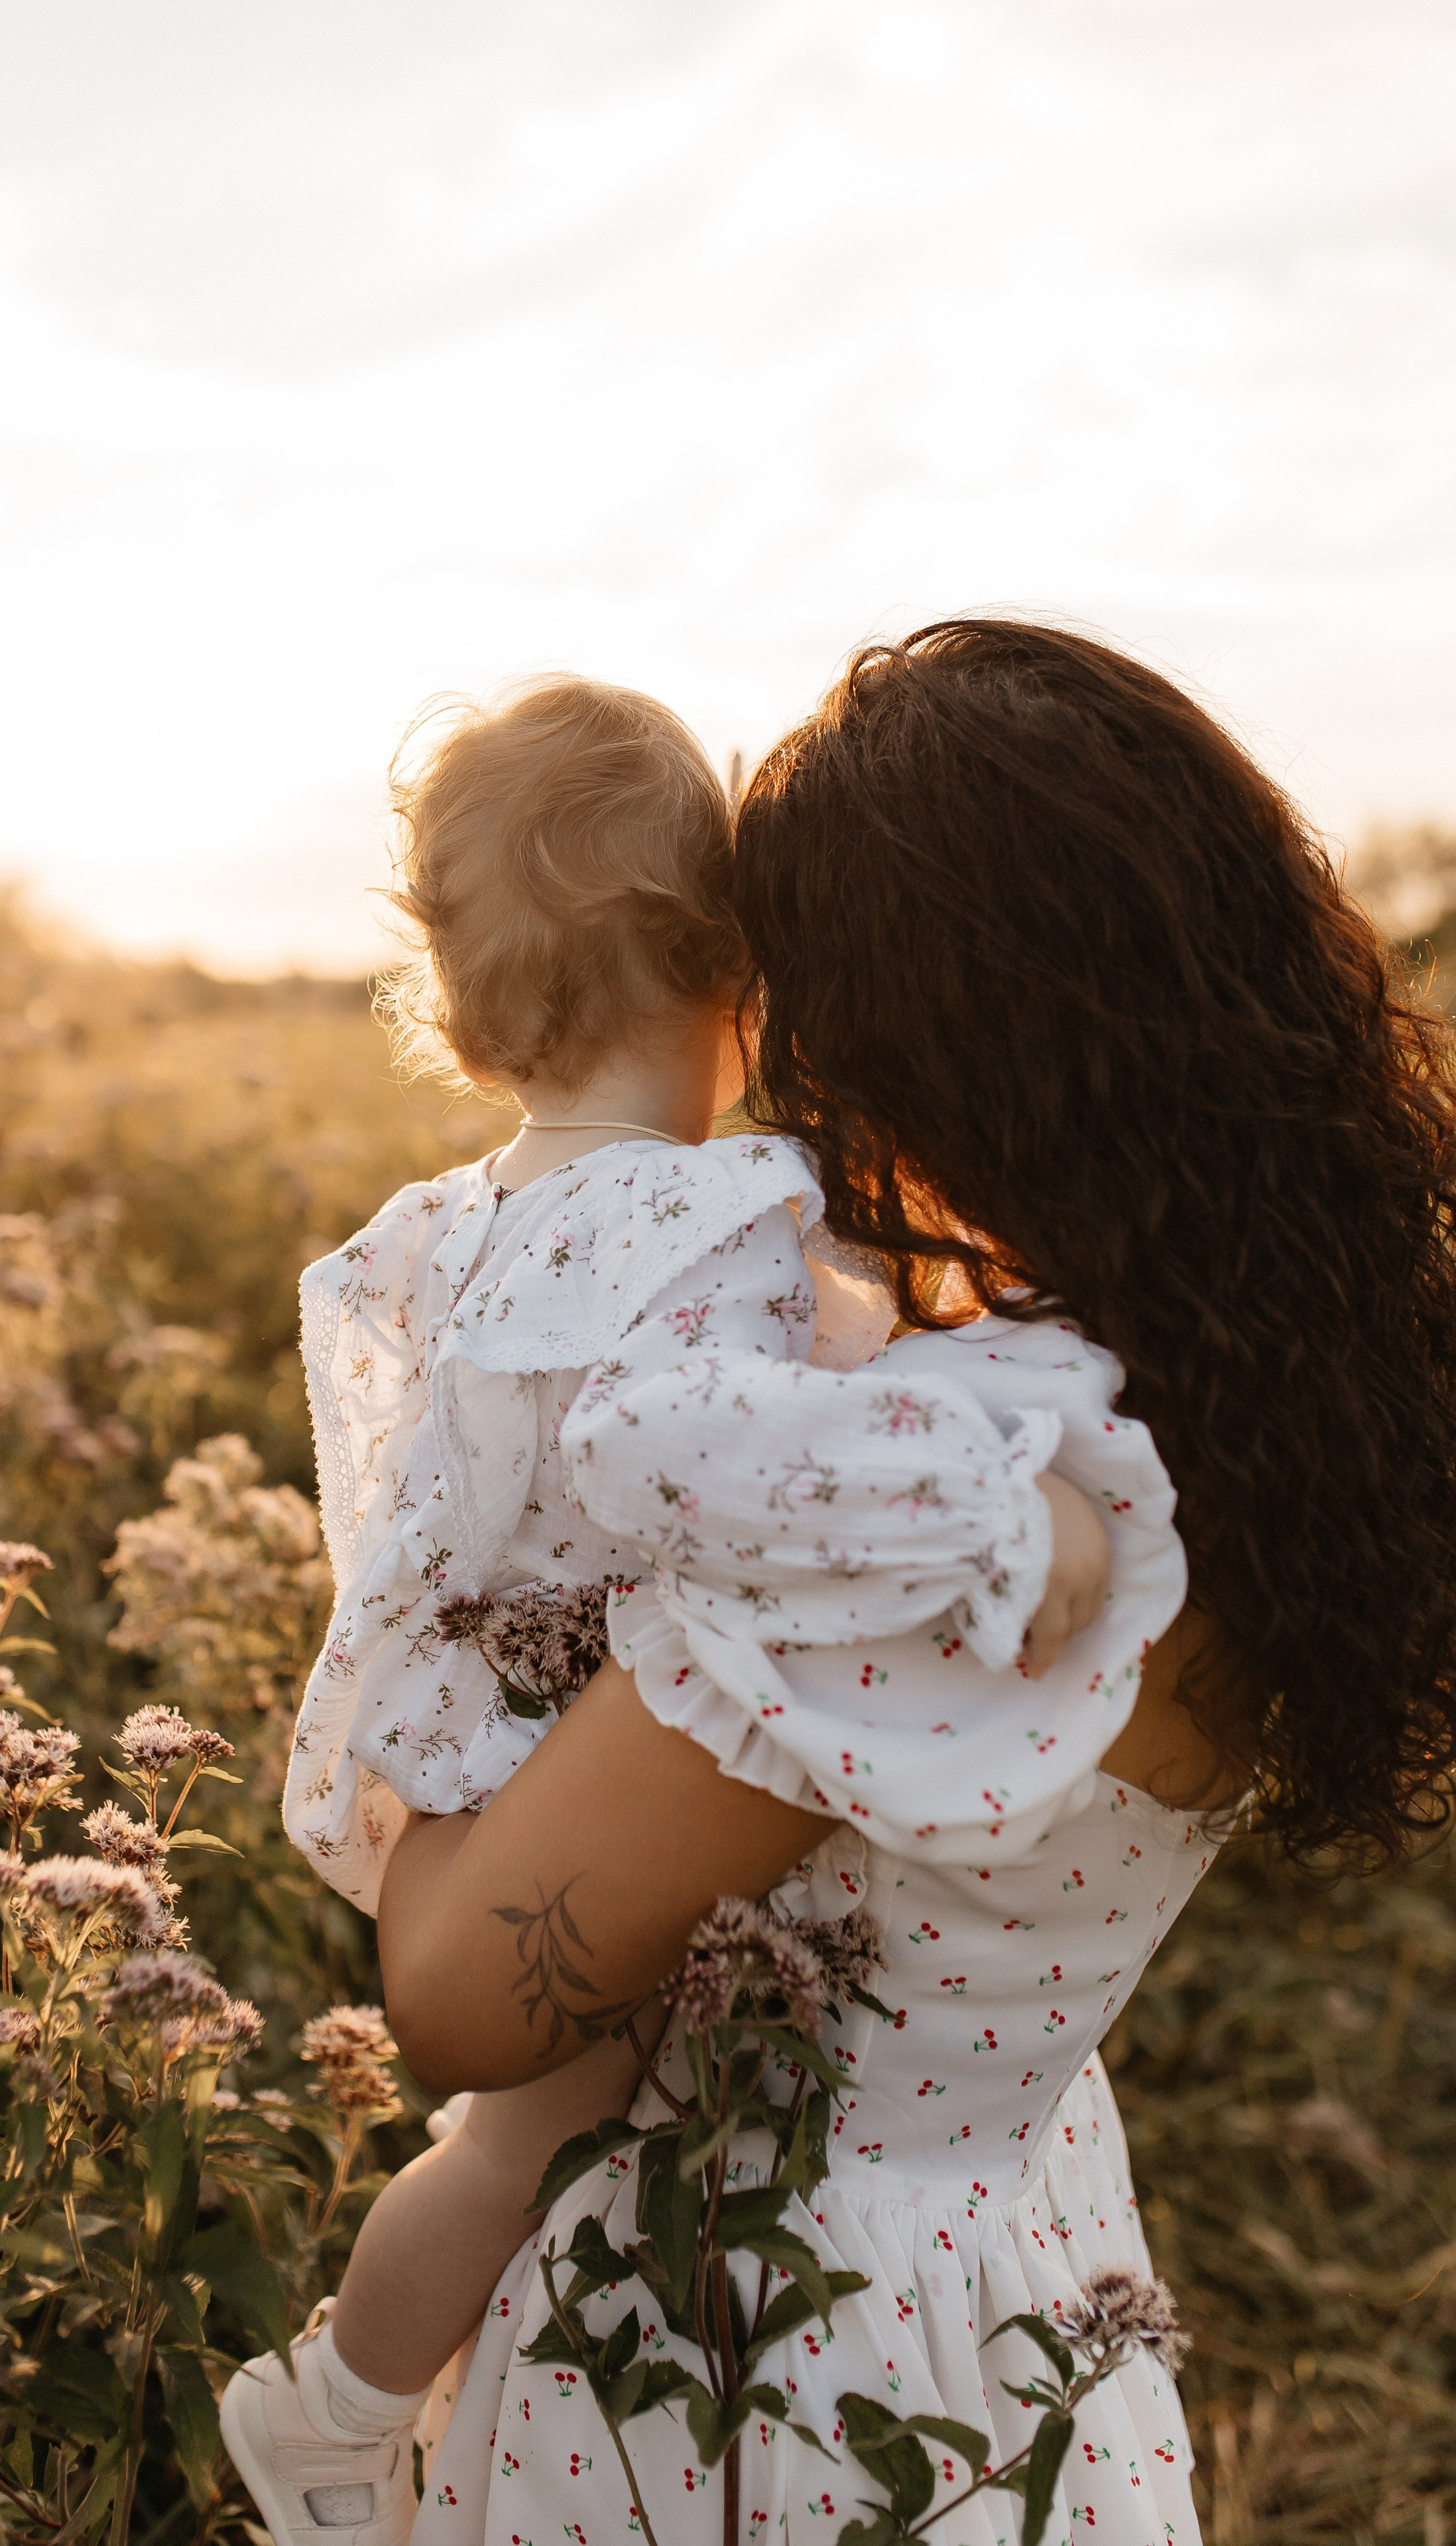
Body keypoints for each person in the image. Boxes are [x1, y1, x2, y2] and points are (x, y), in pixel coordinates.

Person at [373, 624, 1456, 2546]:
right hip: (1010, 2275)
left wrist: (417, 1657)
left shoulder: (923, 1512)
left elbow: (462, 2001)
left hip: (743, 2348)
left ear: (920, 1042)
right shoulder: (1274, 1393)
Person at [219, 672, 1125, 2544]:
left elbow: (422, 1464)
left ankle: (429, 2406)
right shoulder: (693, 1223)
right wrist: (983, 1493)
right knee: (529, 2142)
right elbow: (684, 1446)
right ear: (731, 977)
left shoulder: (451, 1218)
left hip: (479, 1743)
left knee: (547, 2144)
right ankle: (333, 2411)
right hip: (582, 1754)